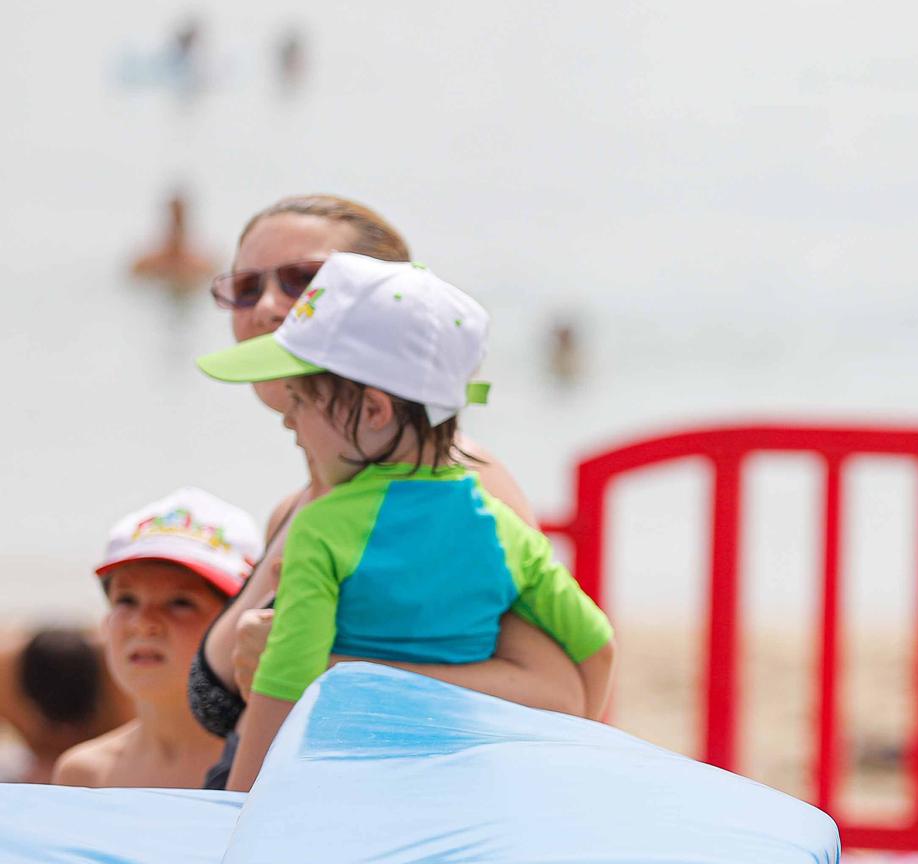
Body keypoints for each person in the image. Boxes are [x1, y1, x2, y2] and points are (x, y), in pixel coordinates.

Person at [193, 195, 586, 789]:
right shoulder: (305, 502)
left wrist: (320, 671)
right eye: (246, 287)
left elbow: (555, 696)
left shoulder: (463, 494)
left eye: (304, 281)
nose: (270, 306)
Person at [53, 489, 262, 788]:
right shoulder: (84, 775)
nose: (143, 623)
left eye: (181, 602)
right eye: (126, 600)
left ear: (238, 622)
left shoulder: (266, 765)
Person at [0, 628, 133, 783]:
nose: (65, 737)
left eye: (74, 729)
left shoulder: (121, 684)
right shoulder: (5, 678)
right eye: (53, 728)